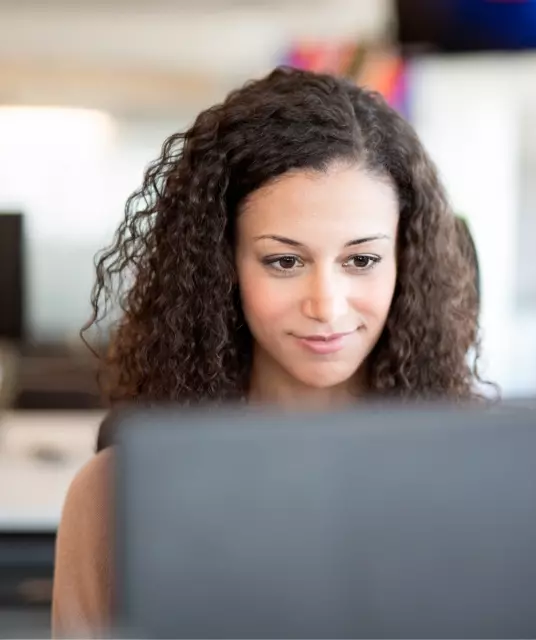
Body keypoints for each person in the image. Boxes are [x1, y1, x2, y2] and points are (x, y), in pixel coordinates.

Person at [51, 66, 483, 637]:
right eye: (284, 261)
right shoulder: (112, 494)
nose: (327, 306)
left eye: (362, 260)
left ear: (405, 262)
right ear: (219, 267)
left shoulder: (483, 478)